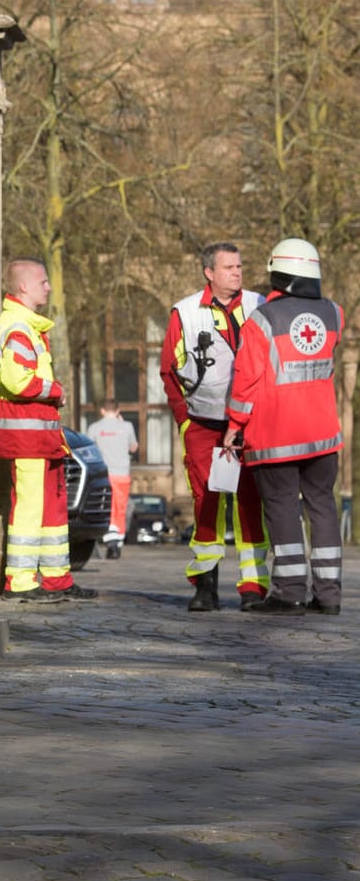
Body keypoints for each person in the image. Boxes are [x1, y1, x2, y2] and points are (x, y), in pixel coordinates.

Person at [225, 239, 344, 616]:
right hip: (323, 434)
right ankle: (329, 596)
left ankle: (289, 592)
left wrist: (234, 424)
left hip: (276, 437)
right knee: (323, 508)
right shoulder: (334, 314)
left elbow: (246, 381)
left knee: (282, 510)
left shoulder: (262, 319)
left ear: (277, 271)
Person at [160, 243, 270, 612]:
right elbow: (168, 369)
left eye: (239, 266)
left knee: (250, 502)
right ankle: (205, 585)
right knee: (207, 501)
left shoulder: (260, 304)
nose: (237, 273)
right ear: (209, 272)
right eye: (228, 267)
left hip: (251, 423)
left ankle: (254, 586)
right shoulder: (186, 312)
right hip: (203, 423)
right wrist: (184, 419)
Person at [0, 258, 97, 604]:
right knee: (31, 506)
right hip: (27, 435)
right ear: (23, 287)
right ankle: (20, 580)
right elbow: (14, 380)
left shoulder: (28, 325)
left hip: (40, 434)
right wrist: (56, 390)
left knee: (52, 505)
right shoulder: (18, 325)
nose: (49, 287)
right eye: (43, 282)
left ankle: (56, 578)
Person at [89, 398, 138, 559]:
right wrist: (122, 424)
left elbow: (90, 450)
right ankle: (116, 543)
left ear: (102, 411)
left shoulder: (95, 428)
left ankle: (110, 541)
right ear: (117, 411)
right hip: (122, 473)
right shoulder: (127, 426)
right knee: (120, 509)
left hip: (102, 474)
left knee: (106, 508)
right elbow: (133, 447)